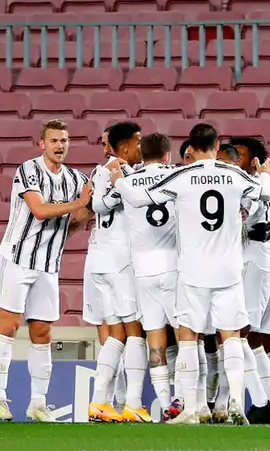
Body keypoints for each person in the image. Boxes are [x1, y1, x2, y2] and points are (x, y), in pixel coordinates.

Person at [111, 123, 270, 425]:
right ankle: (237, 403)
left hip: (191, 271)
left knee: (188, 338)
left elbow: (138, 199)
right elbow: (263, 193)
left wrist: (120, 181)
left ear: (192, 148)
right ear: (216, 147)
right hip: (228, 269)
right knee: (232, 337)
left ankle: (189, 409)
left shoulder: (182, 176)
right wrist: (267, 173)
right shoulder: (234, 175)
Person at [0, 119, 93, 422]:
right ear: (42, 144)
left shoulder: (75, 178)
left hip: (48, 265)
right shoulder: (28, 170)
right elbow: (39, 209)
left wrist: (84, 212)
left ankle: (38, 403)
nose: (60, 146)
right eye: (54, 141)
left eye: (64, 140)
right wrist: (79, 203)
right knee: (8, 326)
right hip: (16, 259)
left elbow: (79, 215)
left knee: (42, 331)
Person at [86, 121, 150, 423]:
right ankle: (134, 403)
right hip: (121, 262)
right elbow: (103, 205)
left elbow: (97, 205)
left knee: (115, 334)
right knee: (135, 331)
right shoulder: (131, 174)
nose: (141, 148)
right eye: (138, 143)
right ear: (125, 146)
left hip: (98, 261)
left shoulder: (99, 172)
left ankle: (99, 403)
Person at [230, 136, 270, 423]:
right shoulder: (259, 185)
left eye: (239, 155)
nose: (234, 158)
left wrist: (268, 230)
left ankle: (264, 405)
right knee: (261, 340)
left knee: (240, 334)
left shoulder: (248, 186)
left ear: (253, 161)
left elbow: (265, 215)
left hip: (255, 266)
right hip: (268, 266)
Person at [114, 132, 178, 421]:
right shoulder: (178, 176)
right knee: (188, 337)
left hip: (143, 271)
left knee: (155, 340)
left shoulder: (126, 183)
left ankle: (166, 407)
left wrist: (116, 177)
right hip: (174, 267)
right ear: (166, 155)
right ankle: (192, 401)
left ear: (143, 155)